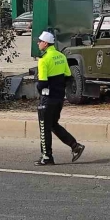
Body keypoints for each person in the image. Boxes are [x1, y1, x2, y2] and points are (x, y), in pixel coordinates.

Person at [34, 31, 86, 166]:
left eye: (39, 41)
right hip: (59, 98)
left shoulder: (44, 60)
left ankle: (47, 157)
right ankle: (75, 146)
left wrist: (40, 89)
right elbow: (68, 76)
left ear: (45, 43)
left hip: (47, 99)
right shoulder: (61, 56)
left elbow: (42, 83)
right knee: (53, 125)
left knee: (45, 127)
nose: (38, 43)